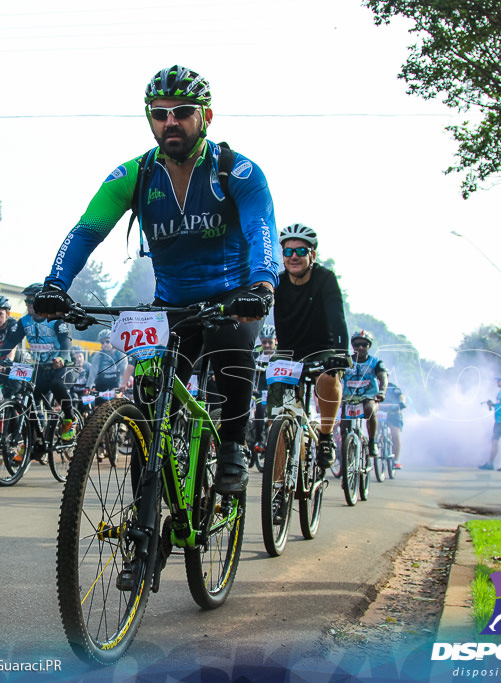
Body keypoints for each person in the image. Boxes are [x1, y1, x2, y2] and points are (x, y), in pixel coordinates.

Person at [33, 65, 280, 494]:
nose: (170, 121)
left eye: (182, 111)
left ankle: (233, 448)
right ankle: (145, 519)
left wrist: (262, 286)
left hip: (233, 297)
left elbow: (262, 230)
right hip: (172, 304)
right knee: (150, 402)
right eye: (159, 112)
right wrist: (56, 283)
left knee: (232, 352)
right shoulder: (136, 175)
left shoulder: (237, 172)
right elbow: (86, 232)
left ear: (206, 116)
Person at [271, 223, 349, 468]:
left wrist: (340, 353)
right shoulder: (276, 282)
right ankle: (278, 487)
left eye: (301, 251)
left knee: (328, 377)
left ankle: (325, 437)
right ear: (282, 255)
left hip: (321, 348)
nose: (294, 256)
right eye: (288, 252)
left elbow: (337, 318)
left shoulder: (325, 279)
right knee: (278, 417)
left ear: (312, 255)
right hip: (286, 352)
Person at [19, 283, 75, 442]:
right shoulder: (24, 322)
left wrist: (62, 358)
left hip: (62, 366)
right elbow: (11, 341)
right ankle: (33, 439)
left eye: (31, 301)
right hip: (41, 367)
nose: (28, 305)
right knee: (28, 394)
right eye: (26, 302)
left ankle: (69, 420)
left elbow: (66, 342)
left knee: (57, 385)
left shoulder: (57, 319)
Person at [341, 329, 387, 462]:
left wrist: (382, 392)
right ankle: (345, 456)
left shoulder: (376, 362)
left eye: (364, 345)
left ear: (369, 346)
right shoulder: (345, 361)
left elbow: (383, 378)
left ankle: (372, 442)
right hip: (349, 399)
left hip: (369, 397)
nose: (360, 347)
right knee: (343, 427)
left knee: (369, 410)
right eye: (357, 344)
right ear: (352, 346)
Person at [87, 329, 127, 408]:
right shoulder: (98, 356)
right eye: (102, 342)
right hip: (101, 384)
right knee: (97, 407)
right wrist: (88, 387)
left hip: (115, 383)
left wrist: (124, 384)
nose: (105, 344)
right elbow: (92, 373)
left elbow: (124, 371)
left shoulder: (120, 354)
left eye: (107, 342)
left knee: (117, 399)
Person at [379, 380, 408, 470]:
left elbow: (401, 396)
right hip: (380, 412)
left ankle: (395, 460)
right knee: (376, 431)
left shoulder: (392, 387)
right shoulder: (373, 386)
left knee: (395, 434)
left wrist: (402, 403)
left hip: (394, 413)